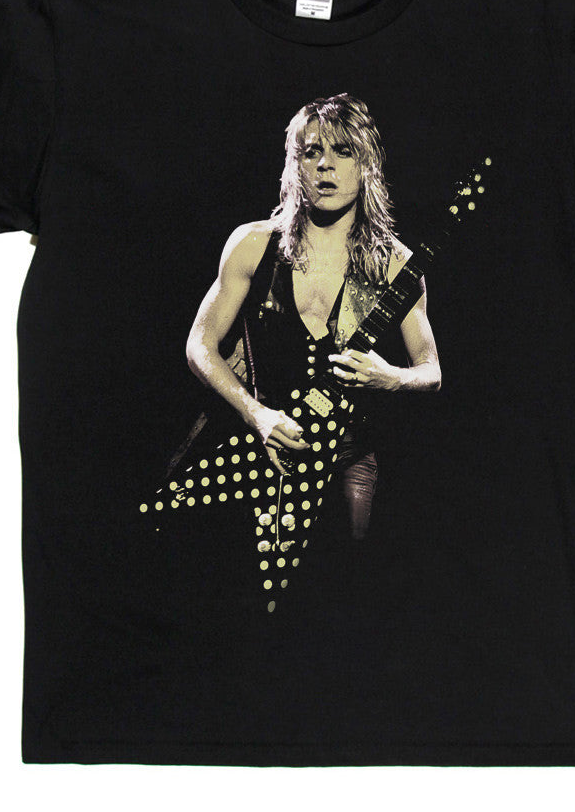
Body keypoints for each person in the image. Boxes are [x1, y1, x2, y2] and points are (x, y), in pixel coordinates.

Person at [185, 93, 441, 540]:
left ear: (367, 165)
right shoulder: (253, 245)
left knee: (345, 568)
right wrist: (257, 415)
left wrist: (391, 377)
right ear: (294, 166)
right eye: (311, 152)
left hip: (347, 461)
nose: (325, 165)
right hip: (257, 447)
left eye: (343, 151)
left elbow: (431, 370)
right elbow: (200, 345)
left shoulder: (395, 266)